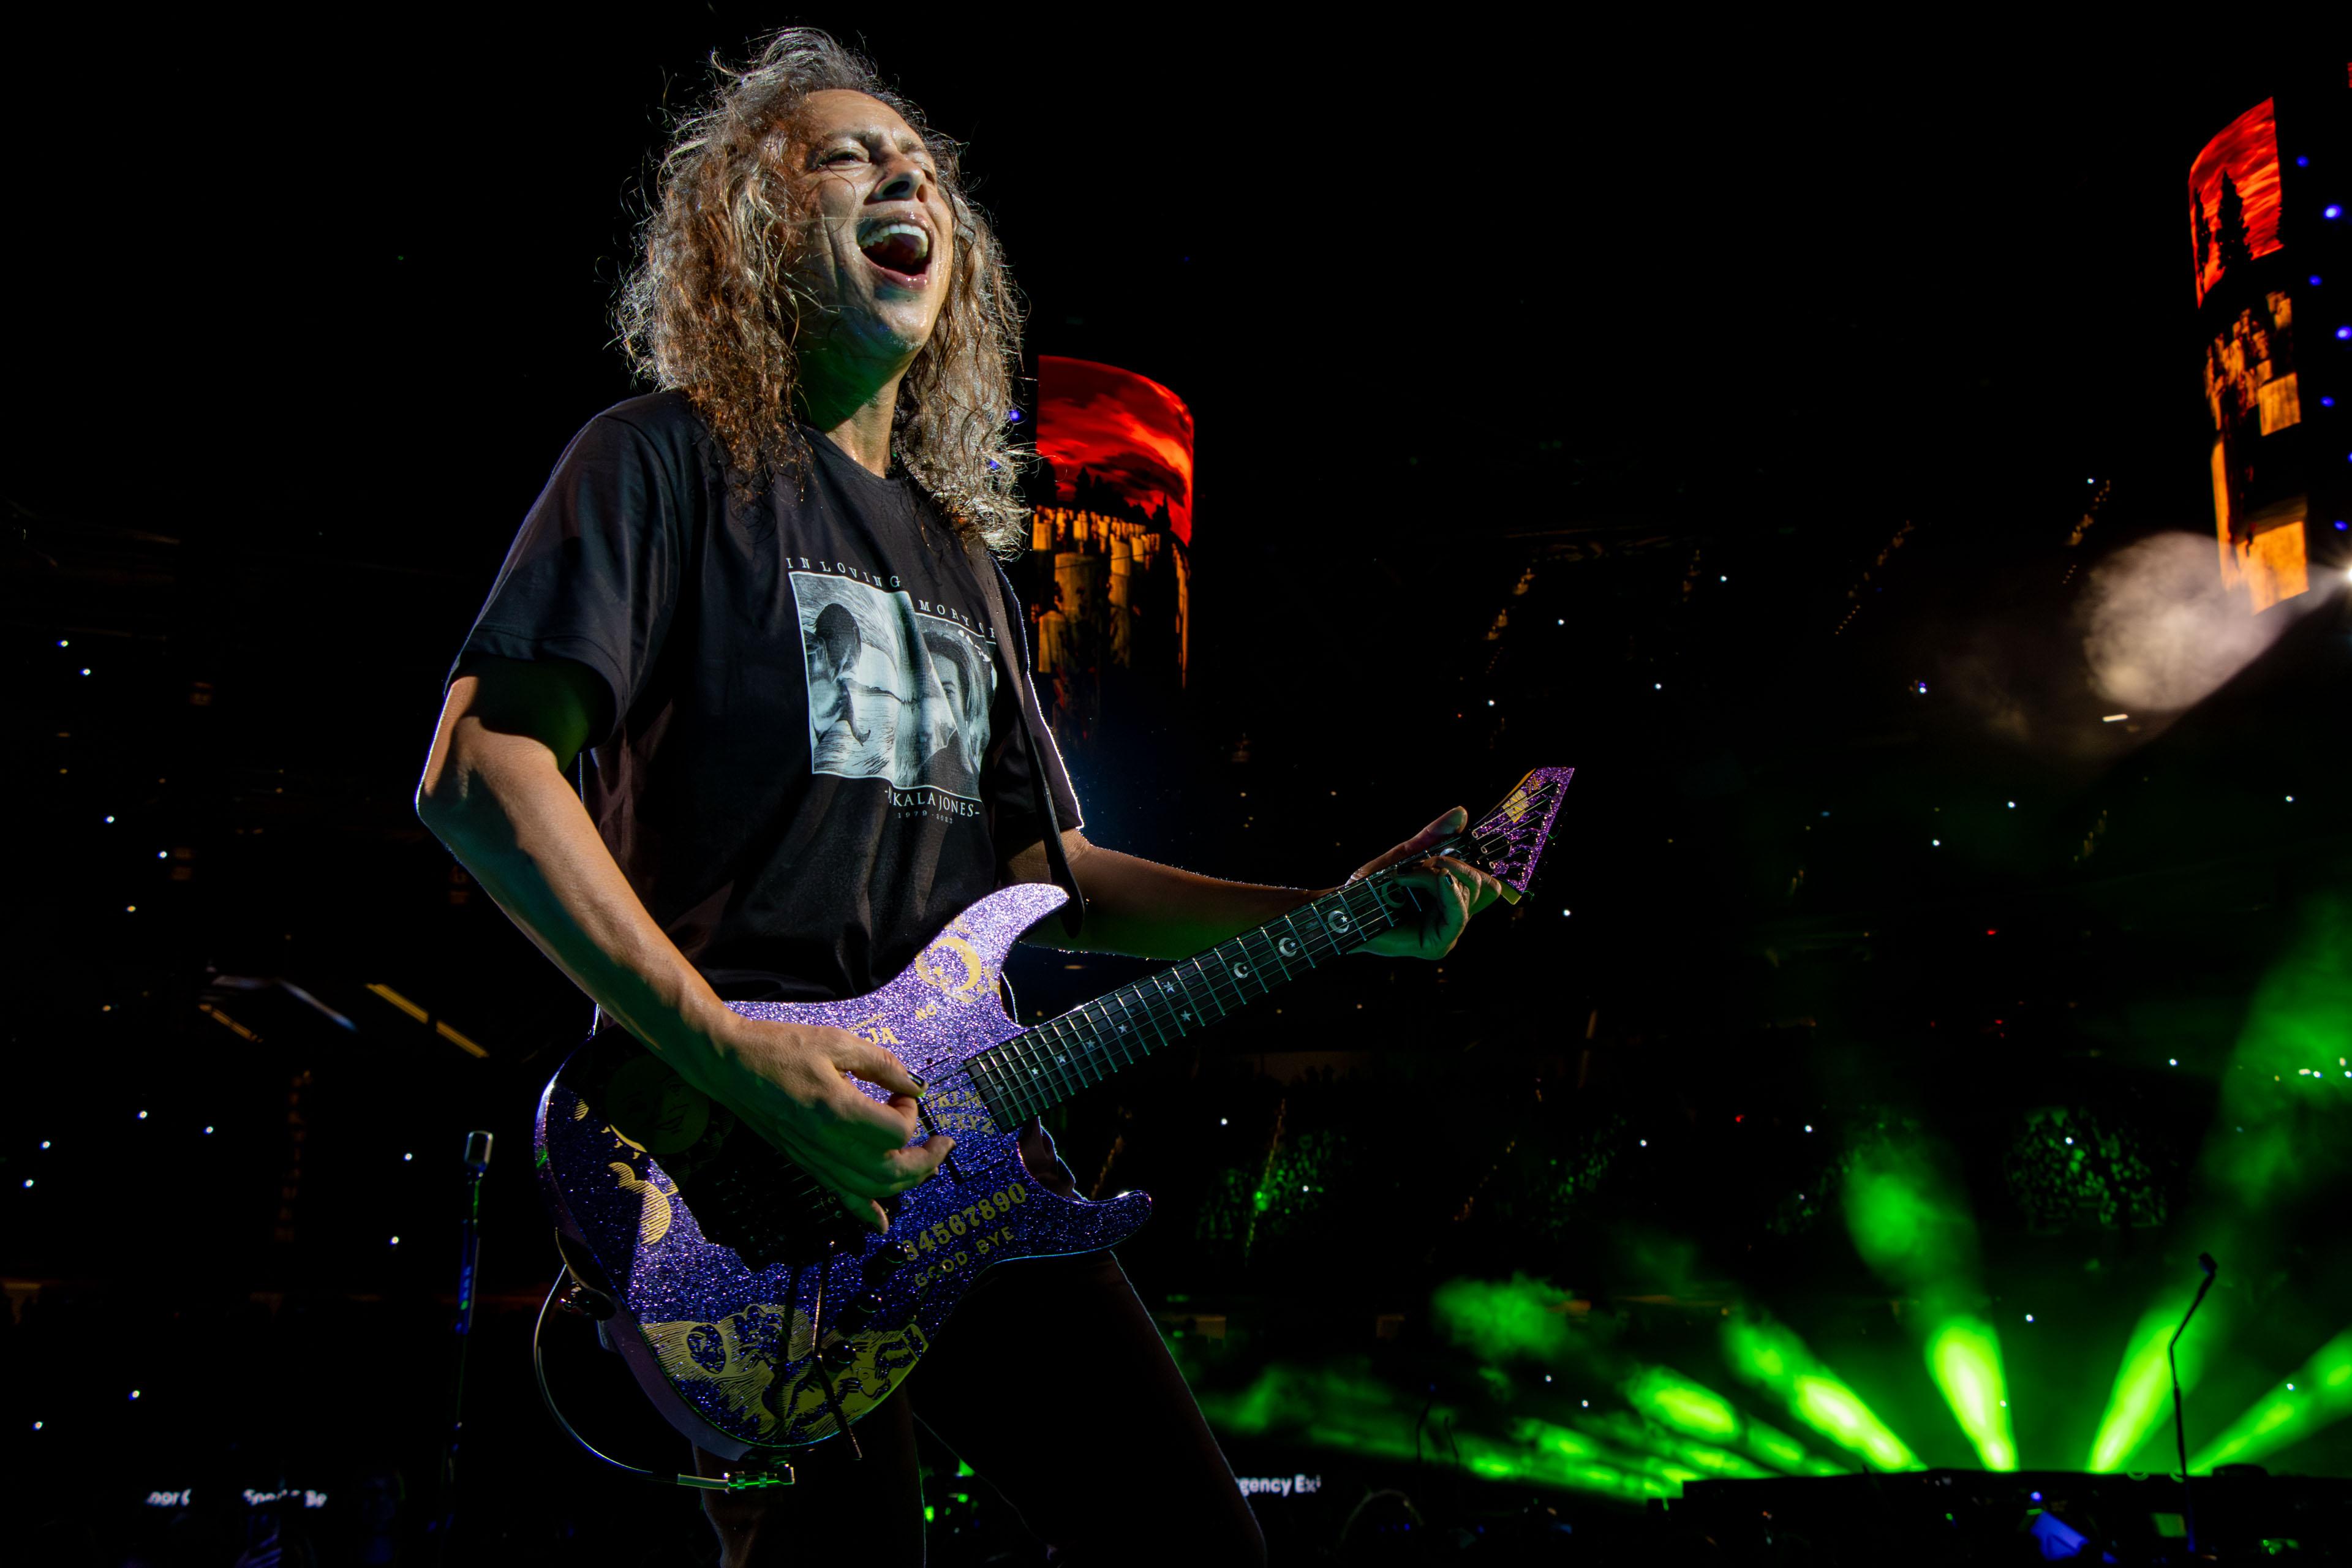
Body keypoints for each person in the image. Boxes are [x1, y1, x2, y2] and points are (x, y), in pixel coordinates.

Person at [415, 28, 1501, 1566]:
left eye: (922, 166)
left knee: (1203, 1559)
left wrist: (1337, 915)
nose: (906, 179)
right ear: (749, 229)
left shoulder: (965, 564)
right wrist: (727, 1053)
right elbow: (481, 769)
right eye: (847, 157)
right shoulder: (657, 462)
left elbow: (1057, 875)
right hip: (742, 1163)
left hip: (972, 1155)